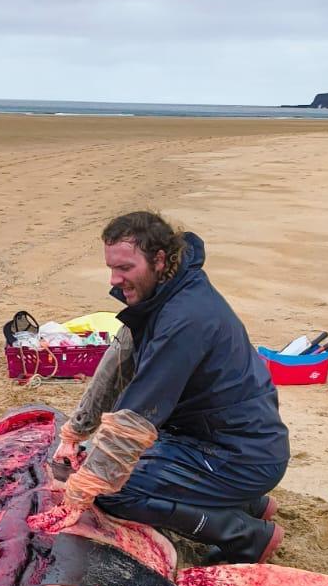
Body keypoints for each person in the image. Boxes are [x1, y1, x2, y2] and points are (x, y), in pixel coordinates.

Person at [51, 212, 290, 563]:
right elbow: (116, 365)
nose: (115, 281)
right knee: (100, 457)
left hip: (241, 455)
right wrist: (76, 431)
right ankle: (248, 504)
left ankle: (245, 536)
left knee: (114, 490)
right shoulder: (160, 295)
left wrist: (87, 486)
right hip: (216, 439)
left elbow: (134, 418)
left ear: (159, 259)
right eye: (111, 268)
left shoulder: (185, 319)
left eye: (126, 269)